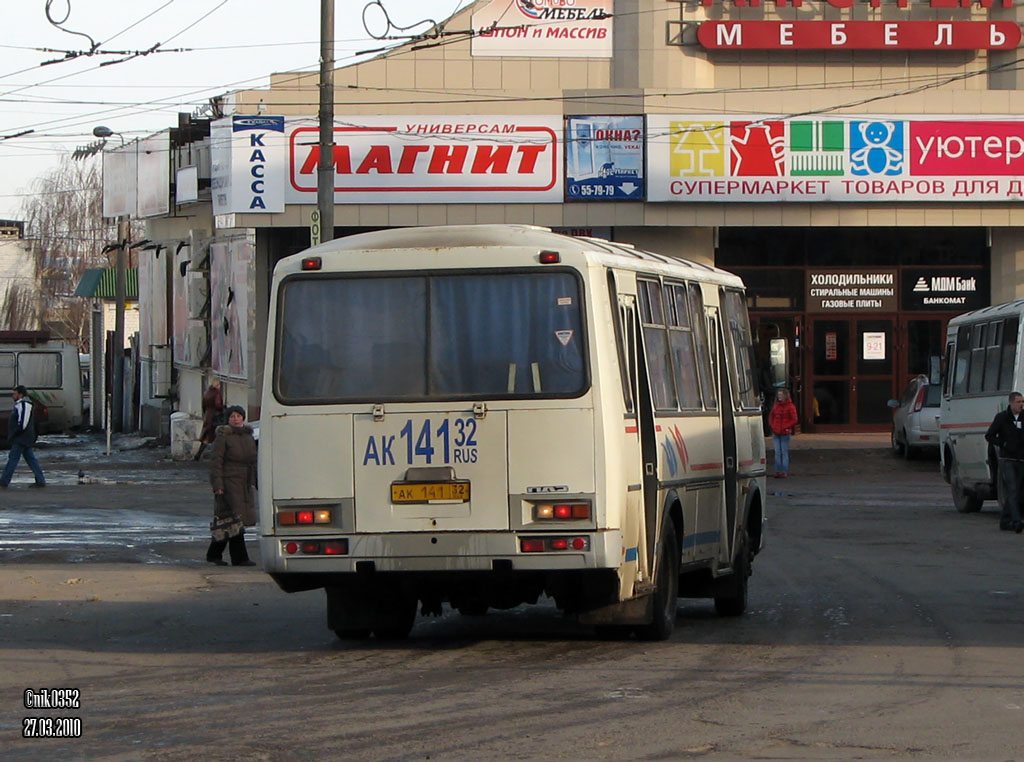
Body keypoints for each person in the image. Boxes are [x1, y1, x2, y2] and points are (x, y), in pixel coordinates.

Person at [206, 405, 257, 566]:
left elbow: (253, 461)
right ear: (228, 419)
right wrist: (218, 484)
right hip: (229, 481)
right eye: (232, 416)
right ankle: (240, 558)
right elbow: (216, 461)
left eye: (238, 416)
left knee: (230, 520)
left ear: (243, 418)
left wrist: (257, 481)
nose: (235, 419)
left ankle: (214, 553)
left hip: (244, 482)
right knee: (235, 519)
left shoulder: (248, 435)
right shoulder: (223, 436)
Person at [985, 391, 1024, 533]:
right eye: (1018, 402)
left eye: (1022, 402)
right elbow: (989, 435)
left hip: (1021, 459)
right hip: (1007, 459)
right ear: (1011, 403)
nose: (1021, 404)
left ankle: (1005, 521)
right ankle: (1016, 520)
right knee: (1012, 489)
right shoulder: (1002, 418)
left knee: (1018, 491)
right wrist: (1003, 444)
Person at [0, 385, 46, 488]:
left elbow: (23, 422)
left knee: (13, 458)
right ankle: (40, 480)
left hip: (21, 437)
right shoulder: (21, 404)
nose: (13, 396)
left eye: (15, 394)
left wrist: (16, 432)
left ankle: (4, 481)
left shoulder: (24, 404)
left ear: (20, 394)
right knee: (31, 459)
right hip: (23, 437)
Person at [769, 388, 798, 479]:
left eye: (781, 395)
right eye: (778, 395)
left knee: (784, 452)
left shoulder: (790, 406)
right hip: (776, 431)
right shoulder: (776, 406)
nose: (779, 397)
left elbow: (794, 419)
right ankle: (777, 471)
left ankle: (784, 471)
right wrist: (773, 425)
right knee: (777, 452)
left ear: (785, 395)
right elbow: (771, 416)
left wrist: (785, 426)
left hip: (785, 432)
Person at [194, 378, 224, 461]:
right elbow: (218, 405)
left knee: (206, 437)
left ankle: (199, 453)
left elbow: (203, 405)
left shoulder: (208, 393)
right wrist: (222, 408)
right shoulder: (217, 393)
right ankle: (217, 455)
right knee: (218, 435)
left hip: (208, 416)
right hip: (215, 417)